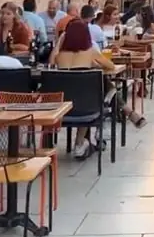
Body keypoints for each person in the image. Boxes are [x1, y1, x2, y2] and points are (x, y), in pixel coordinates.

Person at [50, 21, 145, 157]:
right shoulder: (91, 52)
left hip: (62, 108)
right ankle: (118, 115)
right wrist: (95, 64)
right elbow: (111, 66)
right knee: (102, 84)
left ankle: (85, 140)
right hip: (86, 108)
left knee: (96, 86)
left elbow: (51, 63)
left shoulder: (60, 56)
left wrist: (59, 43)